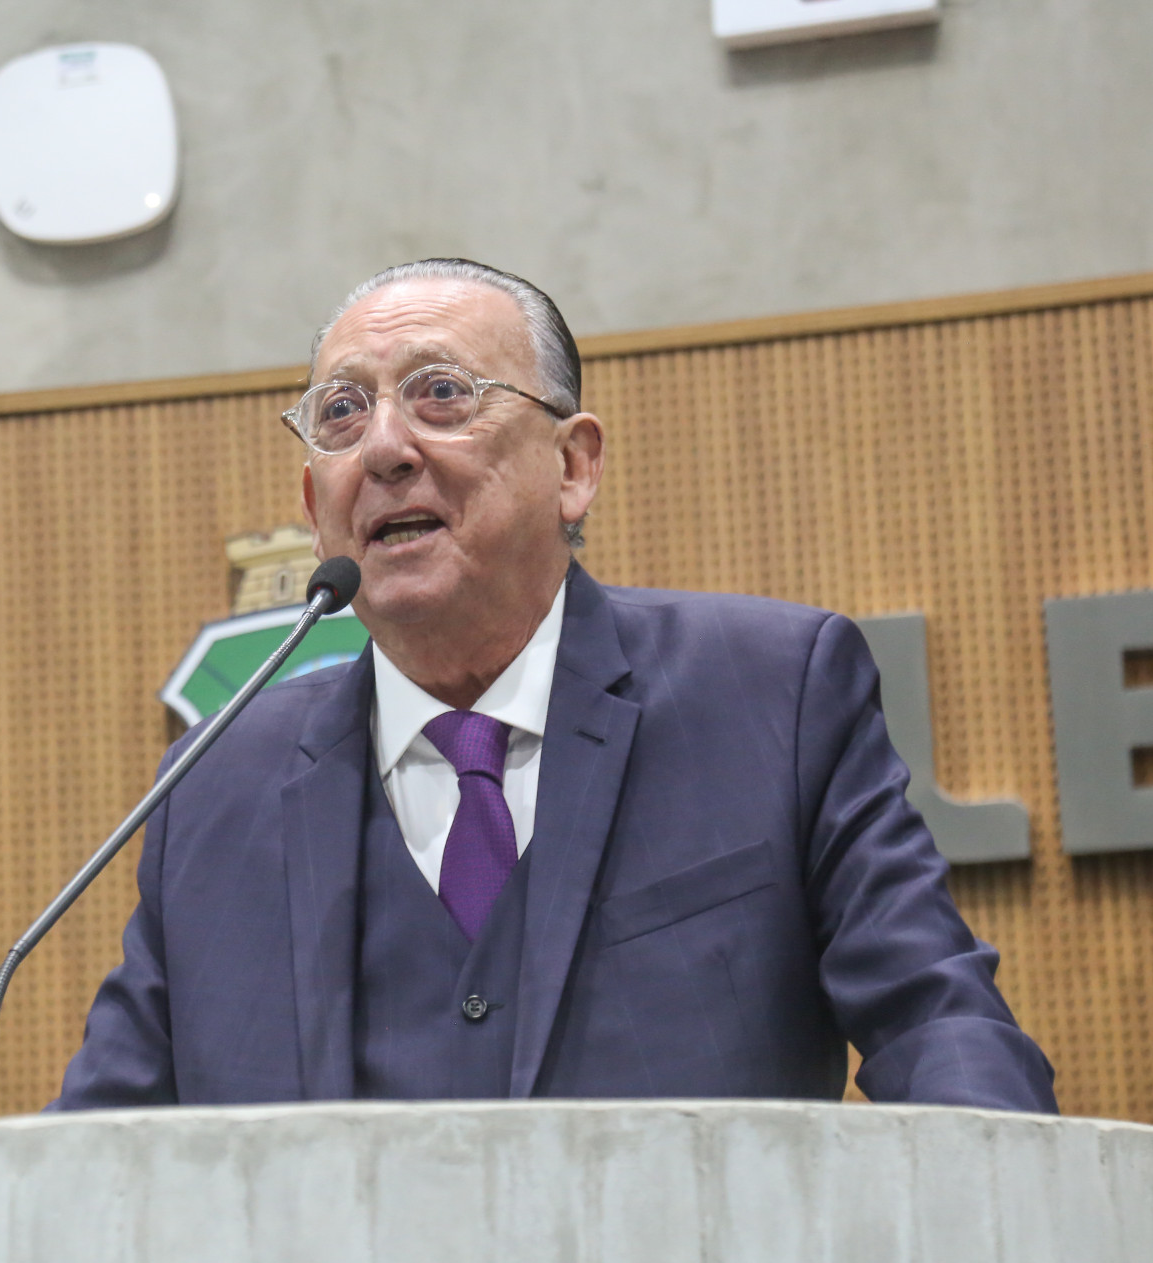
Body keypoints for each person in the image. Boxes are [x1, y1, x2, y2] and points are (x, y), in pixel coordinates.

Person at [55, 259, 1056, 1111]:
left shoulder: (772, 694)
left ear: (573, 466)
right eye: (344, 413)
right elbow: (102, 1152)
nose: (388, 448)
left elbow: (936, 1019)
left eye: (442, 391)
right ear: (316, 501)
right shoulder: (218, 783)